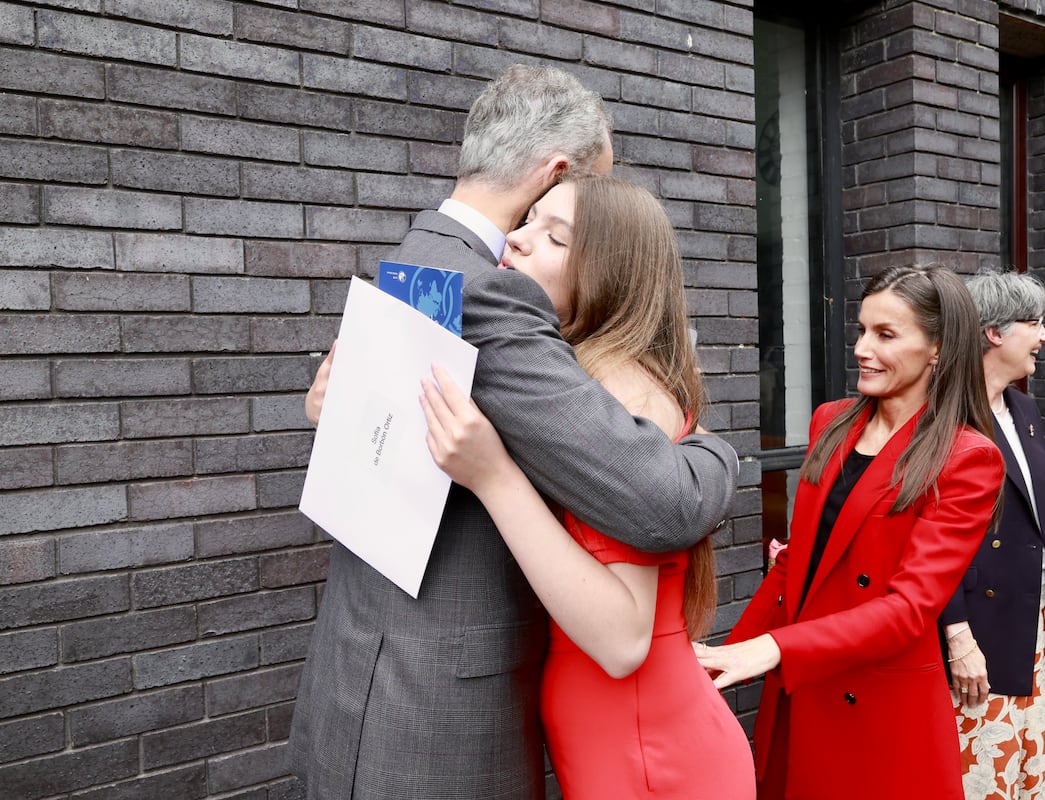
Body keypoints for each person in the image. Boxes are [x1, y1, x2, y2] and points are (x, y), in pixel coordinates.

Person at [286, 66, 740, 800]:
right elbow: (661, 502)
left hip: (367, 682)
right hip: (433, 716)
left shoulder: (417, 257)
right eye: (586, 193)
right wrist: (716, 451)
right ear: (554, 175)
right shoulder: (489, 291)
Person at [419, 174, 754, 800]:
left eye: (554, 236)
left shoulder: (620, 387)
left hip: (652, 753)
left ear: (609, 271)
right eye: (527, 221)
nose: (515, 240)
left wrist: (494, 477)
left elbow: (622, 639)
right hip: (619, 739)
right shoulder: (571, 378)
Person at [695, 264, 1005, 800]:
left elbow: (910, 610)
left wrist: (774, 648)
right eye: (862, 330)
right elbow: (798, 564)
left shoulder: (967, 458)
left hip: (879, 707)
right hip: (804, 684)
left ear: (937, 349)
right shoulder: (831, 421)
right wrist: (727, 659)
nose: (862, 348)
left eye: (886, 335)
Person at [941, 270, 1045, 800]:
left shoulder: (1023, 409)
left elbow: (1043, 525)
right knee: (983, 774)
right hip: (976, 628)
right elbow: (925, 537)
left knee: (1036, 770)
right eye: (1035, 324)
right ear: (994, 332)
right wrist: (957, 633)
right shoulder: (943, 414)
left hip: (1035, 619)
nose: (1044, 337)